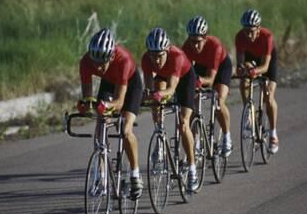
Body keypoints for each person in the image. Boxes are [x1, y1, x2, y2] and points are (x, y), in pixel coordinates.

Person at [78, 28, 144, 199]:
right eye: (95, 62)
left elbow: (119, 102)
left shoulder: (123, 60)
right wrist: (85, 105)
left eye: (102, 63)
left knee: (125, 129)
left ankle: (135, 174)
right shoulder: (86, 62)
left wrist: (105, 107)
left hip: (130, 86)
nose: (97, 67)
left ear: (111, 56)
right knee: (100, 126)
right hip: (108, 83)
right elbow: (88, 97)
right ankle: (101, 177)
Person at [141, 27, 199, 192]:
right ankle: (160, 138)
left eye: (159, 56)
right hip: (163, 77)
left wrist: (158, 94)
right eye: (152, 56)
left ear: (167, 50)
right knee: (155, 101)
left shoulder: (176, 56)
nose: (156, 60)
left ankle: (193, 168)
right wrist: (150, 94)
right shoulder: (147, 59)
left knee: (183, 123)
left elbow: (172, 89)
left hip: (185, 79)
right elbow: (150, 87)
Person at [182, 15, 233, 157]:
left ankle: (226, 137)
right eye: (192, 41)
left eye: (198, 42)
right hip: (201, 67)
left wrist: (198, 81)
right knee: (191, 103)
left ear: (205, 38)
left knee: (218, 102)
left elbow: (210, 79)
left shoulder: (214, 46)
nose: (195, 45)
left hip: (221, 68)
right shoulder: (187, 46)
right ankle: (196, 141)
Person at [235, 9, 279, 154]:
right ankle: (249, 112)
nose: (248, 35)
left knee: (269, 95)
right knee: (244, 82)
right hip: (251, 56)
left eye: (251, 31)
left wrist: (255, 71)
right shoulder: (240, 37)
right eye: (245, 31)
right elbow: (240, 63)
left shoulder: (267, 37)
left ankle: (273, 133)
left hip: (267, 60)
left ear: (258, 29)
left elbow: (265, 66)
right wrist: (242, 69)